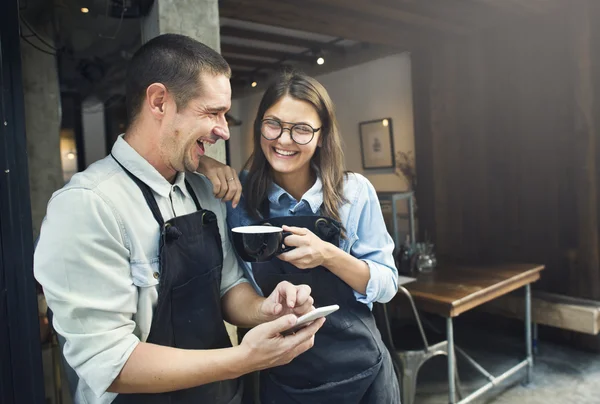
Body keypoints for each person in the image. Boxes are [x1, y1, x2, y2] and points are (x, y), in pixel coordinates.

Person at [33, 34, 325, 404]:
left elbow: (227, 287)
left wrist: (265, 309)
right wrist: (243, 359)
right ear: (159, 102)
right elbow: (109, 363)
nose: (223, 130)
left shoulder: (204, 192)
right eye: (212, 112)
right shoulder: (86, 206)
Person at [200, 71, 401, 403]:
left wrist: (328, 255)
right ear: (259, 127)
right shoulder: (237, 199)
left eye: (302, 130)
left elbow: (387, 285)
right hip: (276, 374)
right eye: (273, 124)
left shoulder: (354, 192)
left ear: (321, 137)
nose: (284, 140)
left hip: (360, 372)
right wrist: (205, 164)